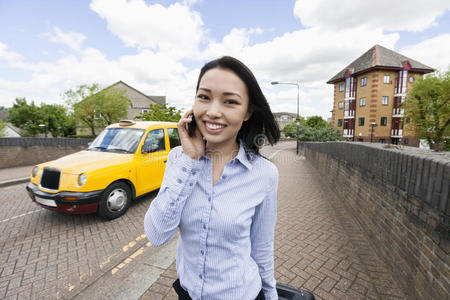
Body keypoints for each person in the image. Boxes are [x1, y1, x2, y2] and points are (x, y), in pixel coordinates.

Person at [144, 56, 280, 300]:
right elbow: (156, 235)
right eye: (204, 97)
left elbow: (262, 247)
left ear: (247, 112)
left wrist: (270, 296)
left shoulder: (264, 174)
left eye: (230, 101)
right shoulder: (179, 159)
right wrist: (191, 160)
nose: (213, 112)